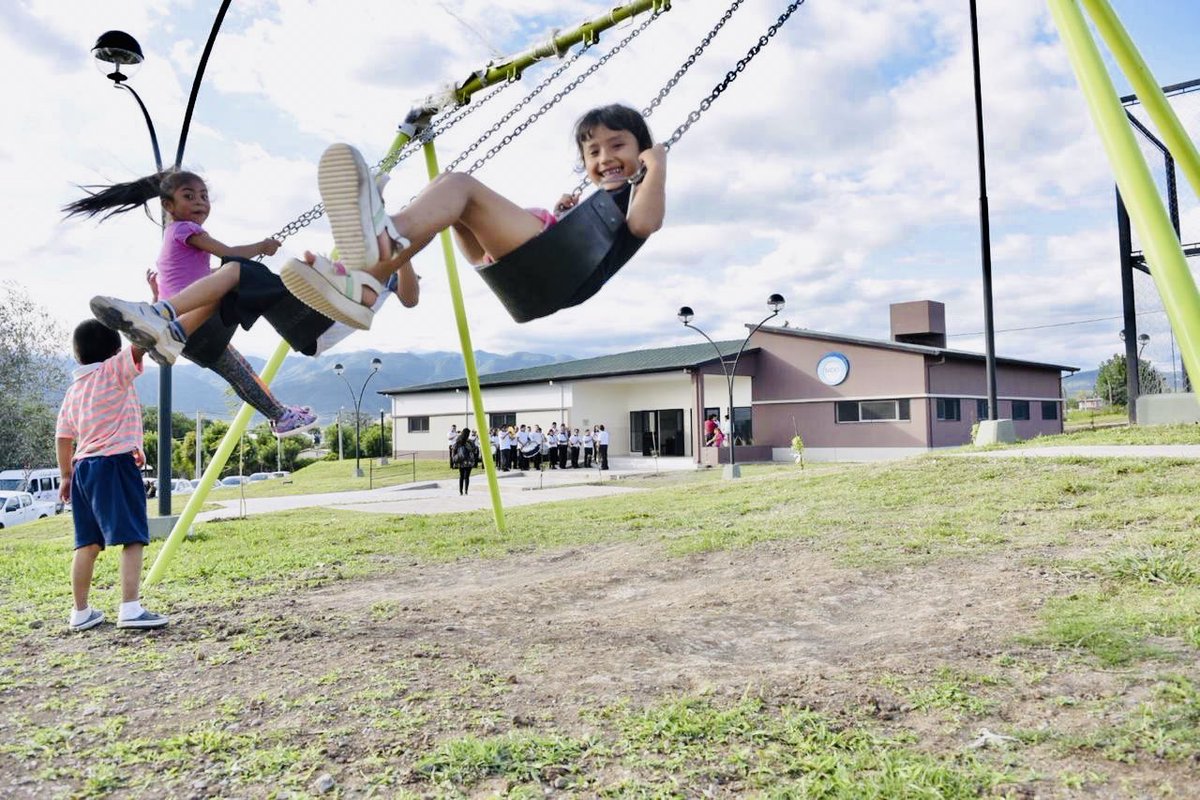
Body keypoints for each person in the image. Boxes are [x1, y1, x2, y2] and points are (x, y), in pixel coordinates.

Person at [65, 170, 416, 436]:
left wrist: (159, 294)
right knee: (237, 273)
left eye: (204, 195)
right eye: (190, 196)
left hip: (191, 334)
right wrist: (260, 249)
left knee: (241, 372)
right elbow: (228, 254)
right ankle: (162, 319)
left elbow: (195, 276)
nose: (201, 201)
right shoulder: (183, 230)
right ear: (169, 207)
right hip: (196, 323)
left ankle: (279, 416)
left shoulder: (175, 234)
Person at [280, 104, 668, 329]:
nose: (605, 159)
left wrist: (657, 164)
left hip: (553, 269)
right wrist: (564, 215)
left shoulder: (640, 190)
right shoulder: (601, 206)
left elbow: (643, 224)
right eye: (593, 153)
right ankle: (368, 286)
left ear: (642, 150)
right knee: (448, 187)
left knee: (461, 187)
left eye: (617, 145)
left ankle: (384, 232)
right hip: (533, 268)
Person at [55, 320, 169, 632]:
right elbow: (144, 340)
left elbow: (63, 437)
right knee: (133, 536)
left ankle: (80, 612)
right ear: (115, 351)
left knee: (87, 543)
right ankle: (130, 608)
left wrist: (66, 476)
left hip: (83, 470)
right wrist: (156, 302)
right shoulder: (113, 370)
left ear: (77, 356)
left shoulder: (74, 389)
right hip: (114, 464)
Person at [451, 428, 479, 496]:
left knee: (461, 476)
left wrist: (454, 458)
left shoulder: (458, 441)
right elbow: (474, 450)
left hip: (461, 461)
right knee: (467, 477)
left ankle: (460, 491)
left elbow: (453, 449)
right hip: (469, 461)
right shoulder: (469, 442)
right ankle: (466, 491)